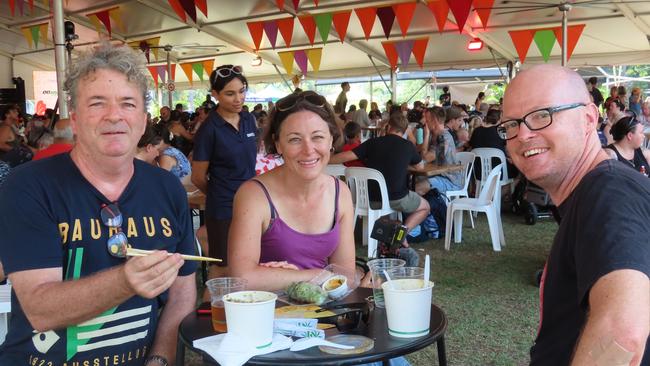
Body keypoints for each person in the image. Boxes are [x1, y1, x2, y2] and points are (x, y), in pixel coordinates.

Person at [0, 43, 197, 366]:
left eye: (127, 103)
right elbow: (40, 308)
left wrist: (160, 359)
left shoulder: (166, 188)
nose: (114, 115)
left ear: (144, 119)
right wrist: (124, 281)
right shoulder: (28, 187)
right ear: (75, 120)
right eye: (97, 103)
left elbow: (183, 292)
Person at [499, 64, 649, 365]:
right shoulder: (595, 190)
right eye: (511, 124)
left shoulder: (609, 191)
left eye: (542, 115)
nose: (523, 135)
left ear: (589, 118)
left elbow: (620, 335)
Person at [229, 91, 356, 291]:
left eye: (318, 137)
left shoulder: (340, 192)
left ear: (331, 140)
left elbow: (345, 274)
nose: (308, 150)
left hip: (323, 311)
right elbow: (243, 277)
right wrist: (313, 276)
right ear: (278, 144)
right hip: (268, 312)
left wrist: (287, 276)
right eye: (295, 139)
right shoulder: (254, 195)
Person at [192, 65, 257, 281]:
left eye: (241, 91)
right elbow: (198, 177)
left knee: (251, 262)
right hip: (223, 205)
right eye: (230, 93)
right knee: (222, 266)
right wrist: (219, 193)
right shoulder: (209, 129)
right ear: (215, 94)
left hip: (252, 202)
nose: (238, 98)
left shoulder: (248, 120)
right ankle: (213, 314)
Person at [330, 112, 430, 253]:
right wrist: (401, 164)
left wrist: (323, 159)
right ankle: (402, 234)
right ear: (404, 130)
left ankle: (394, 234)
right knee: (425, 207)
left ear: (388, 126)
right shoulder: (408, 146)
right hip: (397, 198)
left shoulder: (372, 143)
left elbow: (344, 156)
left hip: (369, 199)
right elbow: (420, 167)